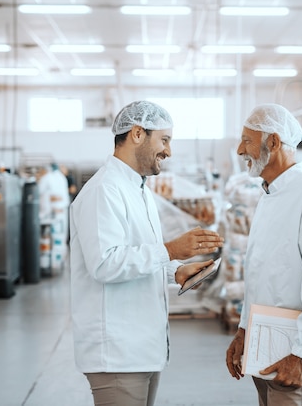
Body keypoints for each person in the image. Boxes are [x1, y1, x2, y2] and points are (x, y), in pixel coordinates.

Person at [69, 100, 224, 406]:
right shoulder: (105, 190)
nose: (169, 151)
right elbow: (105, 264)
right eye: (164, 140)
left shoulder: (138, 189)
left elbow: (136, 251)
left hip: (140, 349)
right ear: (137, 134)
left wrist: (174, 270)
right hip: (116, 354)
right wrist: (170, 249)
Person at [225, 103, 302, 406]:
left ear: (274, 143)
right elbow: (259, 273)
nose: (241, 150)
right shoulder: (269, 194)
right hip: (263, 350)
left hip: (293, 357)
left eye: (247, 140)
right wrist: (243, 330)